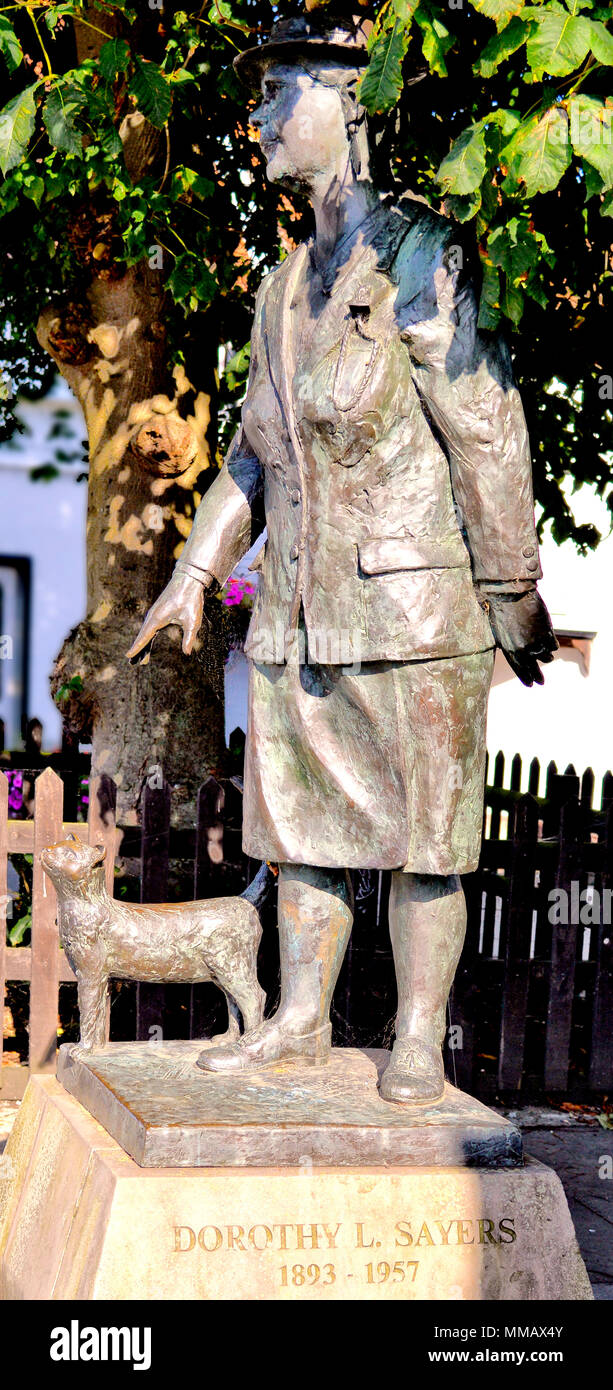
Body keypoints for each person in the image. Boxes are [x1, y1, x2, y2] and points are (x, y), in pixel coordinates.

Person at [127, 9, 557, 1102]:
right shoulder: (279, 290)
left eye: (283, 93)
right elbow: (252, 459)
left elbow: (486, 427)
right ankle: (300, 1017)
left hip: (415, 617)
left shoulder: (421, 256)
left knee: (427, 839)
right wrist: (191, 572)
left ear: (349, 106)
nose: (261, 116)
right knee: (301, 831)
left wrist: (510, 585)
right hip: (299, 612)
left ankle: (418, 1035)